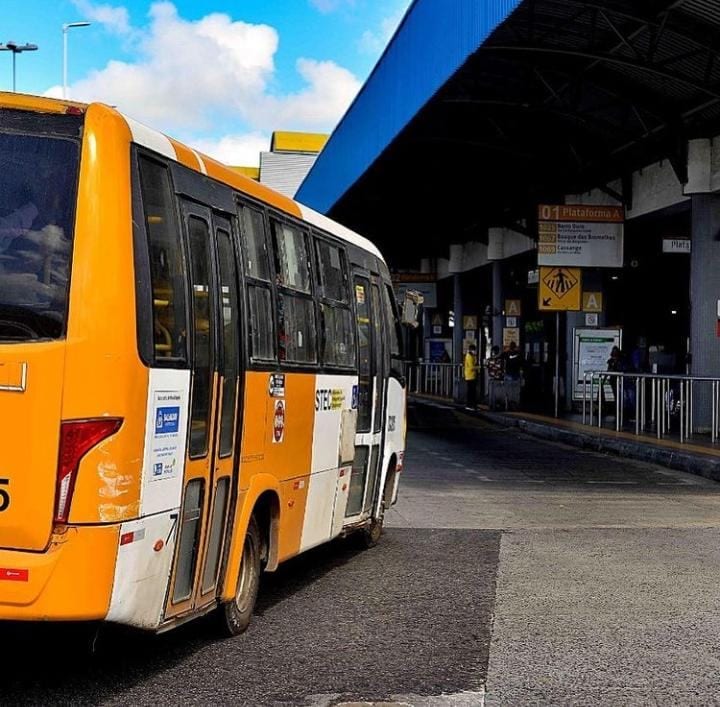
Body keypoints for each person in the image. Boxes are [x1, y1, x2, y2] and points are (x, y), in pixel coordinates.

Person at [503, 341, 523, 410]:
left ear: (510, 347)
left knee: (508, 390)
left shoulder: (506, 353)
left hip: (508, 374)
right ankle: (515, 405)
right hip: (516, 374)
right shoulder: (519, 354)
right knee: (516, 391)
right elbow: (522, 363)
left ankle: (509, 404)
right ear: (515, 347)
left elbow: (499, 357)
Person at [486, 345, 505, 410]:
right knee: (499, 393)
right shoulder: (501, 360)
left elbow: (487, 367)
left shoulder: (489, 360)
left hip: (491, 378)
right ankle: (497, 405)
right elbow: (502, 369)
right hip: (499, 378)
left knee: (491, 392)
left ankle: (491, 405)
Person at [463, 343, 478, 410]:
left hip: (472, 376)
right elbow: (472, 367)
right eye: (474, 350)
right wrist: (478, 367)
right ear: (471, 350)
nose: (475, 351)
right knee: (471, 392)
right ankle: (469, 405)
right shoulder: (469, 356)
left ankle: (472, 405)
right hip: (470, 376)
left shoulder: (472, 356)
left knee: (472, 391)